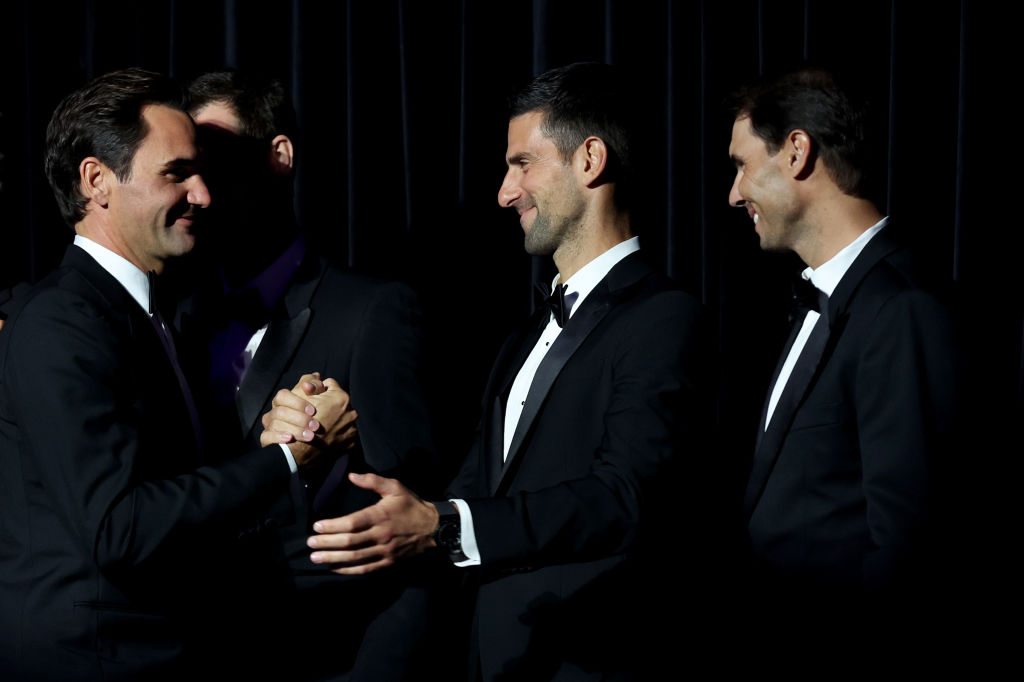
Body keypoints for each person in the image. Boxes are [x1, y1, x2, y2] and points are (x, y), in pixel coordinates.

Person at [280, 62, 707, 680]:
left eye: (522, 164)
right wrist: (350, 473)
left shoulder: (665, 317)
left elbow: (624, 497)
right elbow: (471, 495)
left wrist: (444, 525)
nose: (505, 193)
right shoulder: (521, 338)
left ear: (590, 160)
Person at [0, 68, 353, 681]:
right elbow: (121, 528)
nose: (203, 195)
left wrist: (278, 432)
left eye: (202, 172)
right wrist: (288, 459)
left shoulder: (150, 313)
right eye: (176, 173)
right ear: (96, 180)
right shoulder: (63, 322)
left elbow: (173, 485)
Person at [177, 70, 438, 679]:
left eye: (217, 158)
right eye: (189, 167)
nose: (200, 192)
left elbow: (411, 528)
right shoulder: (177, 317)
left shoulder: (373, 311)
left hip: (325, 654)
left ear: (280, 156)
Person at [726, 68, 959, 646]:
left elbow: (907, 551)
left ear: (796, 151)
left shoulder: (900, 309)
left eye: (742, 165)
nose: (733, 193)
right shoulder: (824, 300)